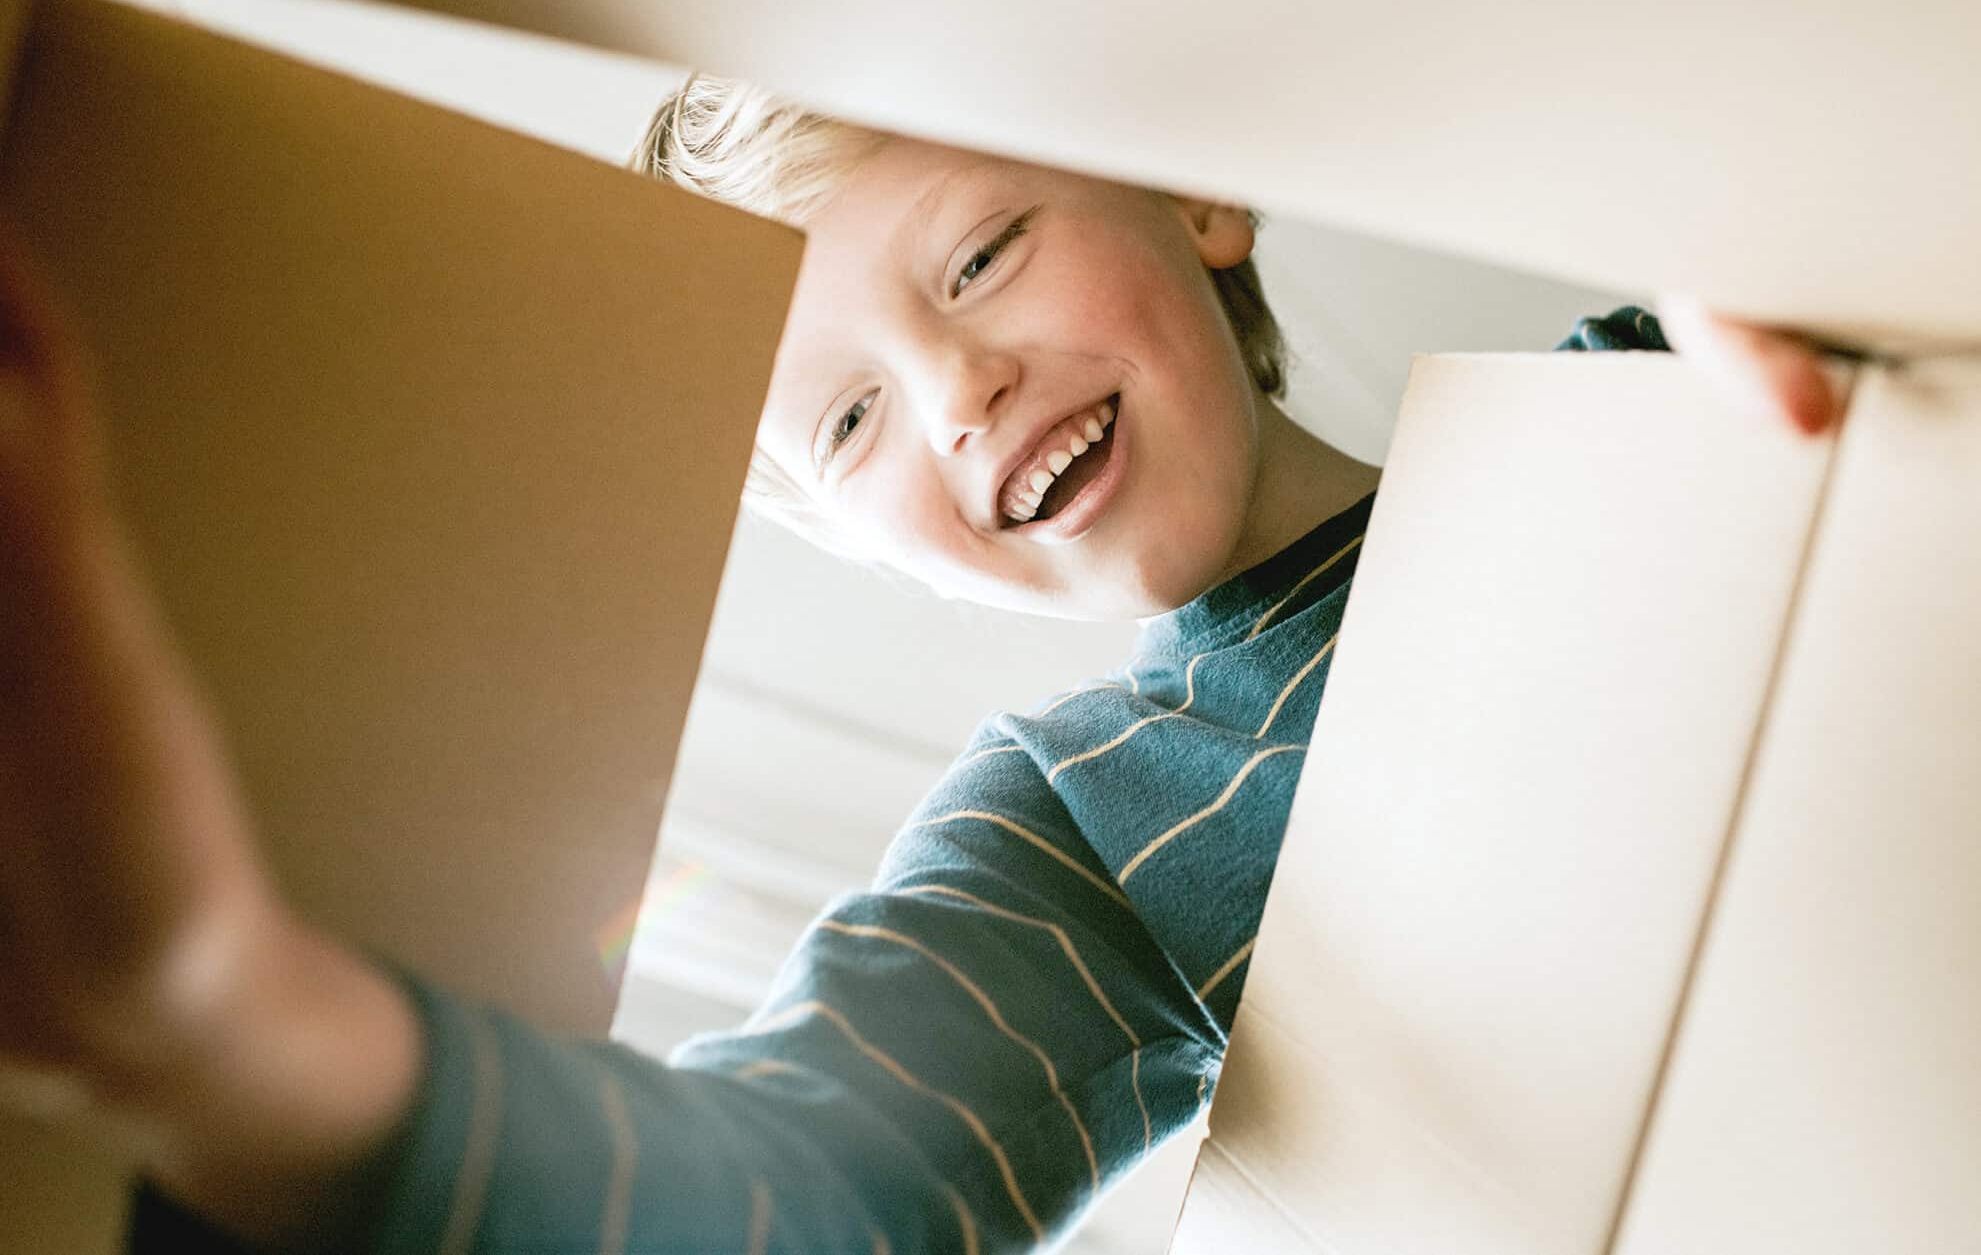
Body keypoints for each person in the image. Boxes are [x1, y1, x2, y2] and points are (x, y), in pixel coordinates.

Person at [0, 78, 1840, 1254]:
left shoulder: (1648, 388)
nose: (959, 393)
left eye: (982, 254)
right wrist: (212, 1009)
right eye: (850, 419)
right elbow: (802, 1190)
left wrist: (1852, 304)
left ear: (1198, 190)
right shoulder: (1082, 829)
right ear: (850, 538)